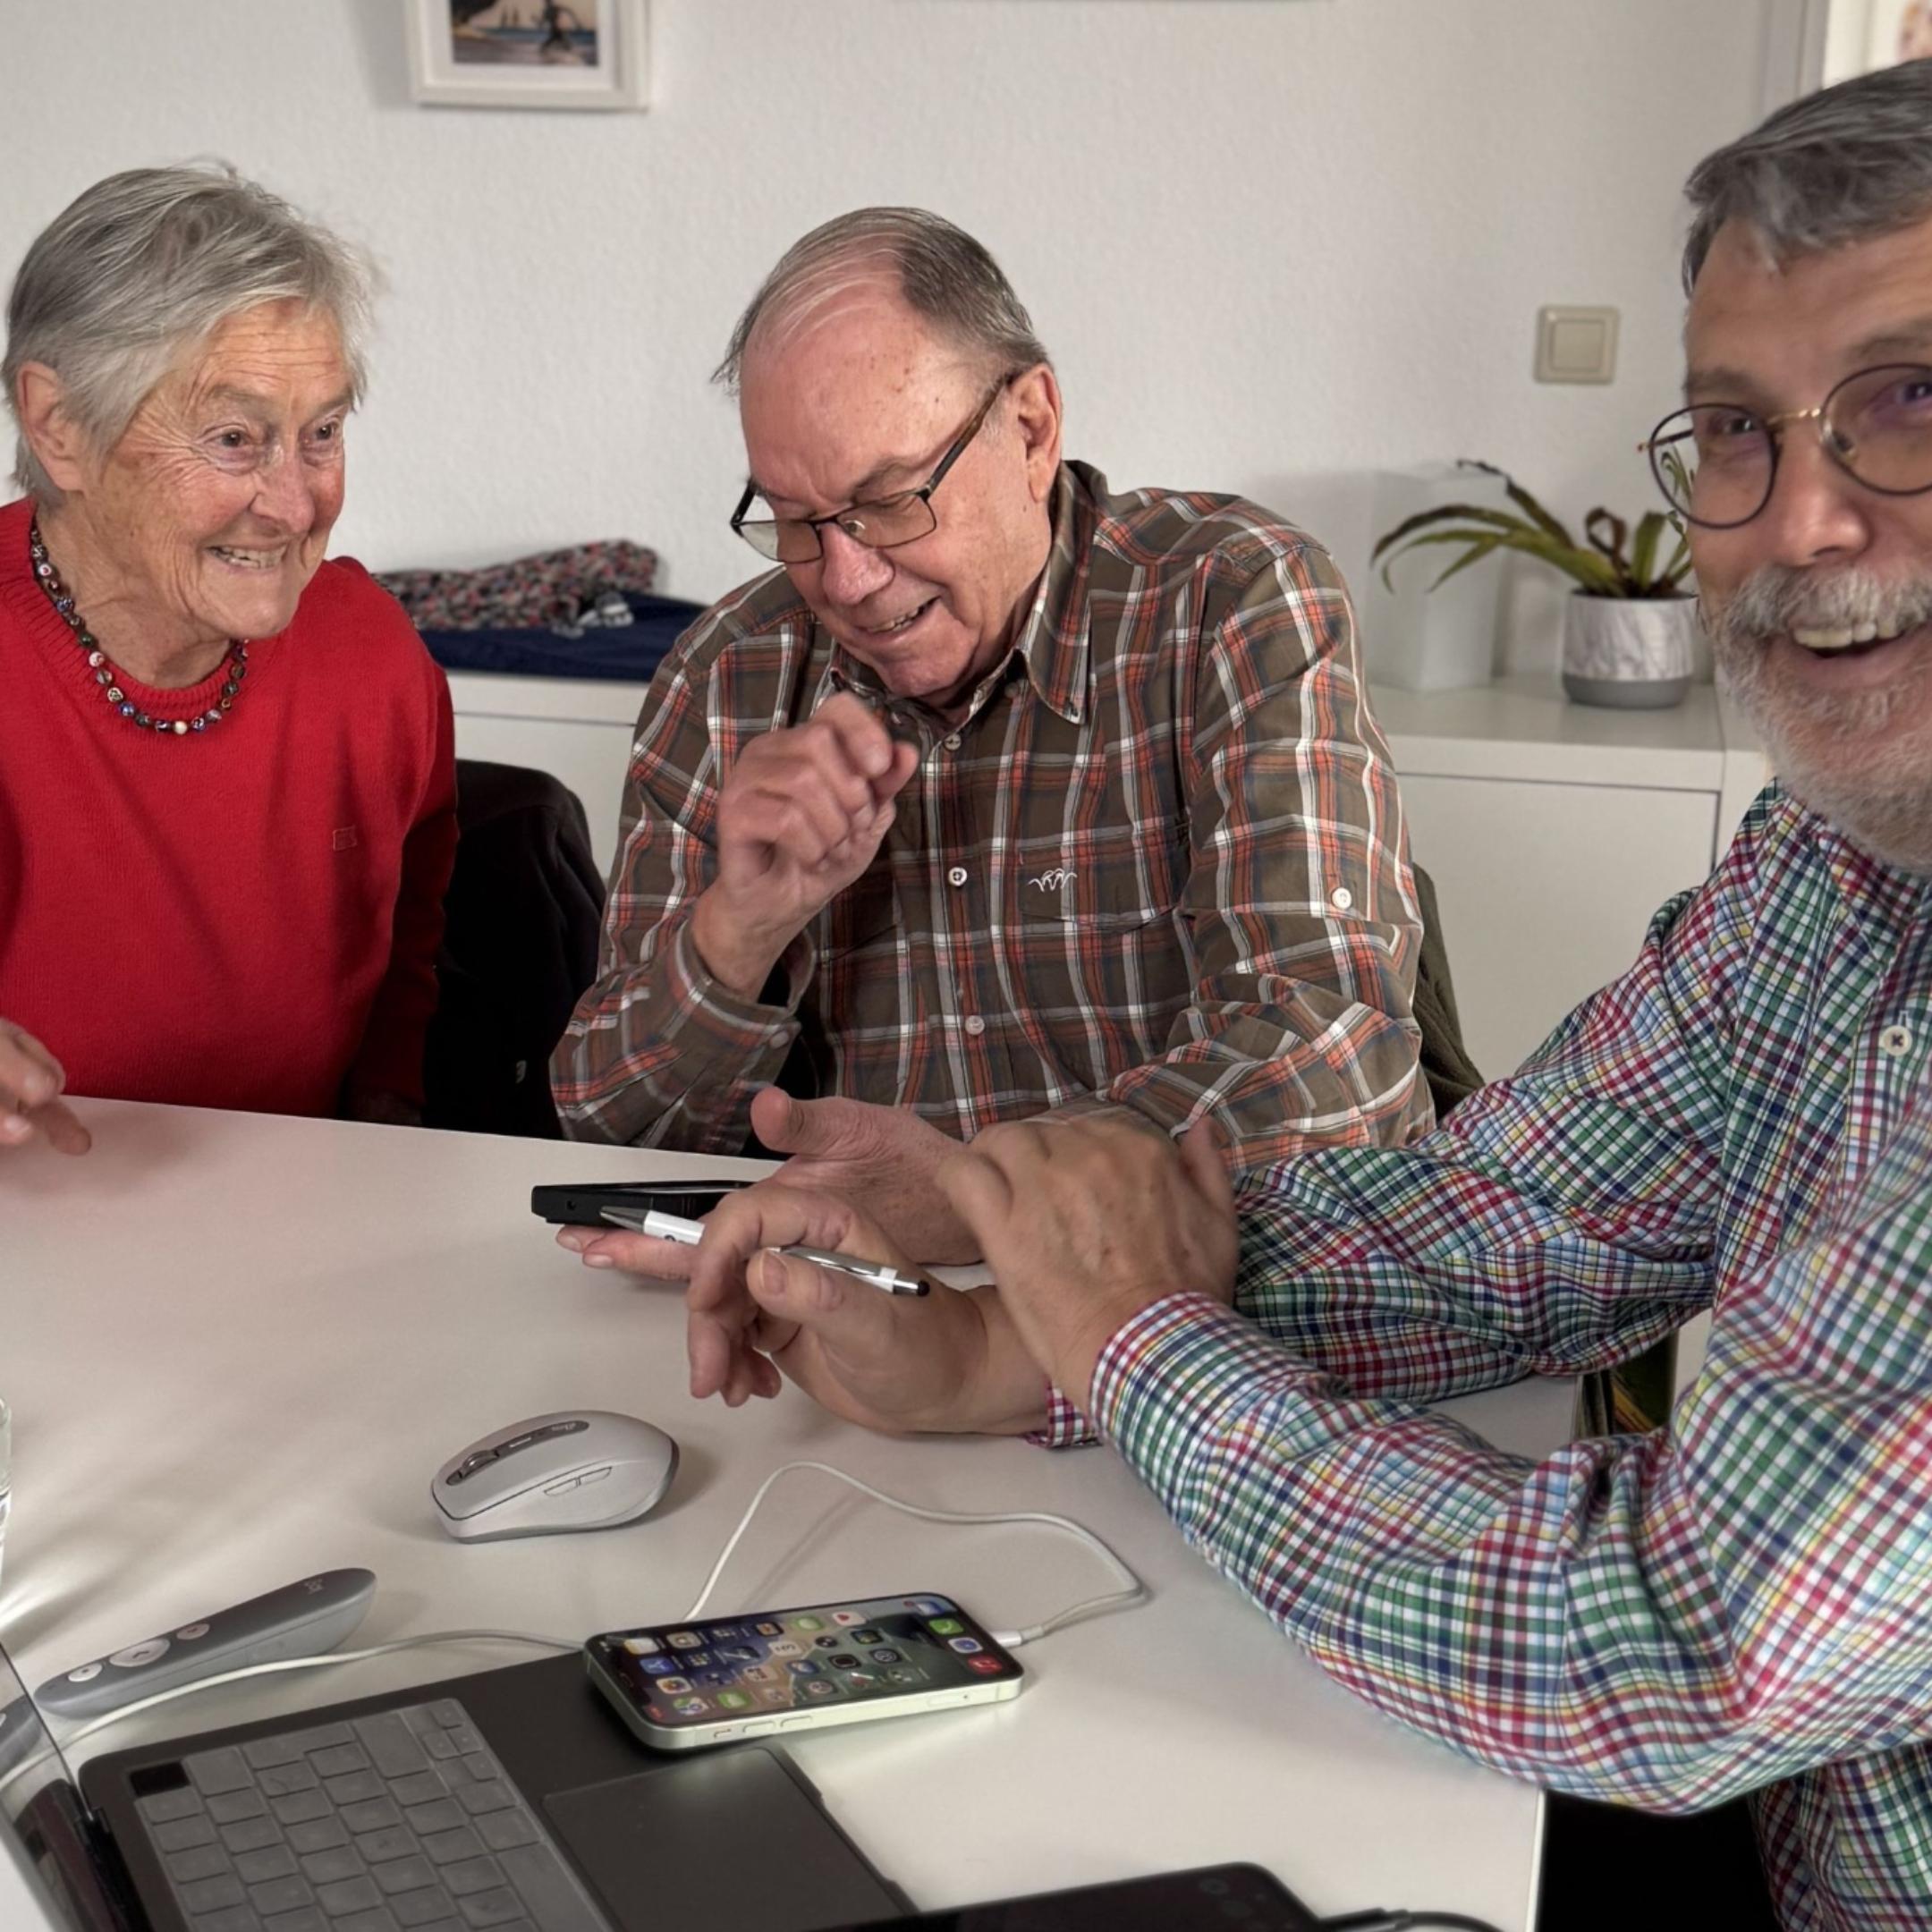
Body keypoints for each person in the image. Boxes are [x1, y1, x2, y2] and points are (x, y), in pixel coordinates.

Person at [672, 64, 1932, 1928]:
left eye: (1910, 402)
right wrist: (1014, 1314)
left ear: (1030, 426)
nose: (1801, 519)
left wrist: (1126, 1336)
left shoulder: (1227, 592)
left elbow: (1686, 1643)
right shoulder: (1838, 863)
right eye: (1738, 429)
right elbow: (1520, 1217)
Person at [553, 207, 1434, 1265]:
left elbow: (1336, 1066)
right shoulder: (725, 677)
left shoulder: (1230, 600)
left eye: (889, 502)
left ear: (1031, 429)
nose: (846, 579)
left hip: (1185, 1302)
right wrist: (740, 934)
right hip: (847, 1308)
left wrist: (972, 1198)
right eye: (793, 519)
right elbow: (605, 1133)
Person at [0, 165, 455, 1151]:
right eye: (234, 438)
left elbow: (420, 938)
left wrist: (389, 1118)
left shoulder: (369, 654)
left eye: (321, 432)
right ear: (59, 427)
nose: (295, 505)